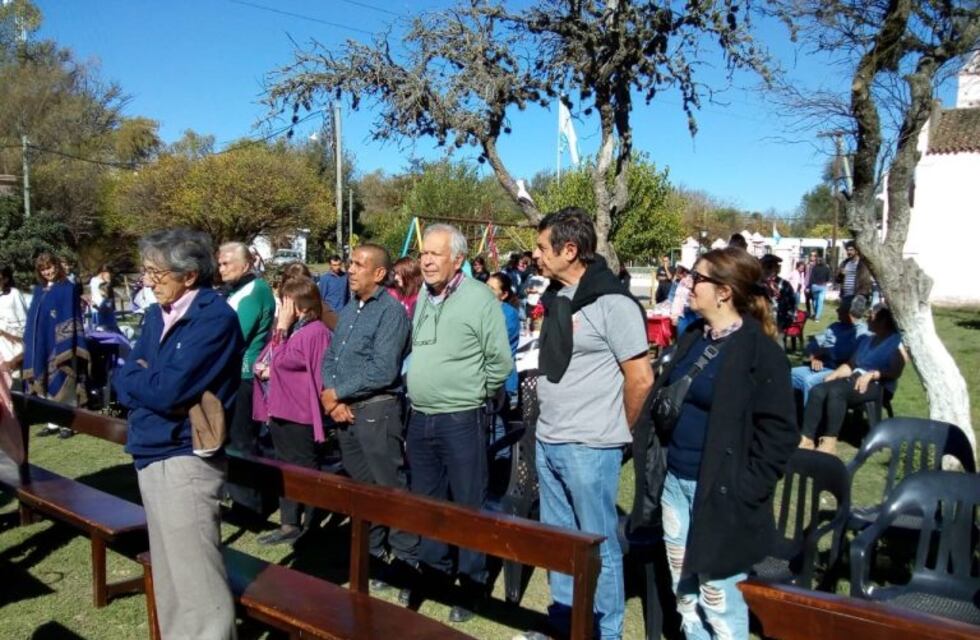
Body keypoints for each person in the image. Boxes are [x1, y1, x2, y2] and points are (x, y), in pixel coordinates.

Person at [636, 247, 798, 640]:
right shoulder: (693, 336)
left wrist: (746, 490)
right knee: (685, 594)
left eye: (698, 278)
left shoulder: (761, 353)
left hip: (722, 495)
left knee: (718, 598)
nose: (688, 284)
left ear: (724, 292)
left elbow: (779, 435)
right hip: (676, 484)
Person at [112, 229, 243, 640]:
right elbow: (123, 376)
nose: (148, 281)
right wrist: (141, 378)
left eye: (156, 272)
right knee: (169, 581)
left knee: (198, 590)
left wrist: (141, 379)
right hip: (151, 451)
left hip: (185, 457)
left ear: (189, 276)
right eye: (146, 271)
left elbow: (168, 390)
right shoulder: (156, 315)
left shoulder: (214, 318)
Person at [531, 208, 653, 639]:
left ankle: (606, 632)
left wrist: (616, 433)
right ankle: (566, 624)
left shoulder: (613, 303)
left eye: (543, 247)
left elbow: (640, 378)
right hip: (548, 438)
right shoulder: (558, 296)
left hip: (590, 445)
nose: (535, 255)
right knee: (560, 544)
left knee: (598, 547)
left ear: (570, 250)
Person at [405, 223, 512, 623]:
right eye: (424, 254)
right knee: (428, 501)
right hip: (420, 418)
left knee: (467, 503)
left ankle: (471, 585)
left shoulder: (479, 298)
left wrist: (470, 395)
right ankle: (434, 575)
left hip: (462, 417)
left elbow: (499, 362)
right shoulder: (423, 296)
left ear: (459, 260)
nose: (427, 261)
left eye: (435, 253)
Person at [320, 244, 418, 587]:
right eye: (350, 263)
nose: (351, 269)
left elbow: (383, 370)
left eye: (359, 265)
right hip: (345, 412)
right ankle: (371, 552)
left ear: (379, 273)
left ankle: (404, 558)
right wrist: (333, 398)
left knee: (388, 485)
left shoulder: (390, 312)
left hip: (377, 411)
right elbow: (332, 356)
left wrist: (338, 392)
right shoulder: (350, 309)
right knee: (363, 487)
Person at [252, 277, 332, 545]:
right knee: (285, 468)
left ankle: (310, 524)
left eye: (286, 303)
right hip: (281, 409)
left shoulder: (316, 332)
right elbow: (269, 357)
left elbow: (286, 361)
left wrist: (282, 330)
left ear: (301, 306)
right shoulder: (293, 330)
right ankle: (288, 523)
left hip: (300, 413)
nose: (282, 310)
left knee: (305, 470)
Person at [218, 242, 277, 517]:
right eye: (219, 263)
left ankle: (249, 505)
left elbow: (234, 335)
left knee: (241, 440)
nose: (221, 269)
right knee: (233, 438)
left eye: (226, 263)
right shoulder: (237, 290)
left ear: (246, 264)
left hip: (244, 374)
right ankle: (241, 497)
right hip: (233, 374)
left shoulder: (254, 291)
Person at [800, 304, 906, 455]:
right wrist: (834, 375)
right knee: (818, 389)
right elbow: (851, 364)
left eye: (871, 316)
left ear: (882, 321)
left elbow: (896, 371)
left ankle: (829, 441)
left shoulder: (895, 342)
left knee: (837, 392)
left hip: (877, 385)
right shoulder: (868, 340)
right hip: (855, 379)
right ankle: (807, 438)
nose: (867, 319)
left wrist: (873, 374)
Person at [23, 253, 89, 438]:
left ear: (57, 266)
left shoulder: (68, 288)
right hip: (41, 343)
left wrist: (65, 344)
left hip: (60, 344)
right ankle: (53, 422)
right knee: (44, 379)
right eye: (43, 269)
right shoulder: (39, 290)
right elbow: (33, 319)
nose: (48, 272)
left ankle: (68, 424)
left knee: (63, 380)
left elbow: (70, 315)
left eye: (50, 267)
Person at [791, 295, 870, 404]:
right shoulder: (835, 327)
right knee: (790, 373)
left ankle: (811, 419)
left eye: (840, 307)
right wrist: (814, 357)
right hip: (822, 367)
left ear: (849, 312)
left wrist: (824, 352)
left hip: (840, 373)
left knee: (809, 381)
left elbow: (851, 360)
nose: (837, 310)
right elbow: (811, 346)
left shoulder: (862, 333)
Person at [486, 272, 520, 405]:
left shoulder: (509, 314)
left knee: (499, 423)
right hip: (485, 380)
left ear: (504, 295)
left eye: (492, 289)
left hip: (503, 381)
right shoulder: (483, 310)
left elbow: (495, 345)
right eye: (486, 286)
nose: (486, 291)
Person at [0, 265, 28, 373]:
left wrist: (5, 332)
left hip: (12, 350)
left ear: (6, 279)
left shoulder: (14, 294)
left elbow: (24, 325)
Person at [760, 254, 796, 333]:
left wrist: (786, 323)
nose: (768, 270)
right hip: (758, 328)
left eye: (770, 267)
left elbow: (792, 305)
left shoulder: (784, 285)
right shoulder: (756, 285)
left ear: (777, 268)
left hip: (778, 327)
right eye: (765, 267)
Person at [836, 241, 873, 311]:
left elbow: (866, 281)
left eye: (851, 250)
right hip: (845, 295)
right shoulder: (845, 263)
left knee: (854, 317)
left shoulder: (862, 264)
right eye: (847, 250)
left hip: (857, 295)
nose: (849, 252)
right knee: (844, 316)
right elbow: (837, 280)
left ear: (856, 251)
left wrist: (862, 295)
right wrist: (841, 274)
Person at [808, 255, 831, 321]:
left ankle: (815, 314)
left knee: (815, 301)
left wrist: (810, 286)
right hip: (823, 286)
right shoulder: (827, 268)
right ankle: (817, 317)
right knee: (820, 302)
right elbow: (828, 278)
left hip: (814, 286)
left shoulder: (814, 268)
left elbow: (811, 277)